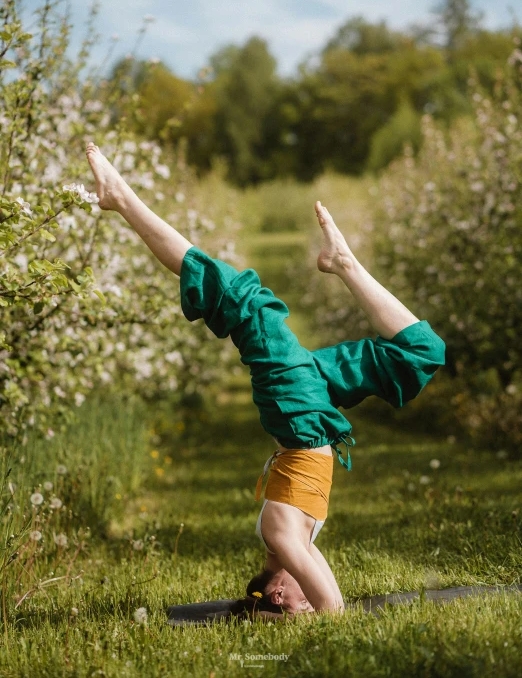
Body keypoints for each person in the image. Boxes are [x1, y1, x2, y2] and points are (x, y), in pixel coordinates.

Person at [85, 142, 446, 619]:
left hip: (298, 417)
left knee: (239, 299)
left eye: (299, 605)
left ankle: (123, 198)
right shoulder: (293, 546)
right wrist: (299, 616)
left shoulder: (280, 536)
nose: (308, 602)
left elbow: (333, 609)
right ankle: (343, 264)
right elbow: (327, 604)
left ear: (278, 593)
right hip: (311, 408)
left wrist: (304, 616)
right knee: (422, 353)